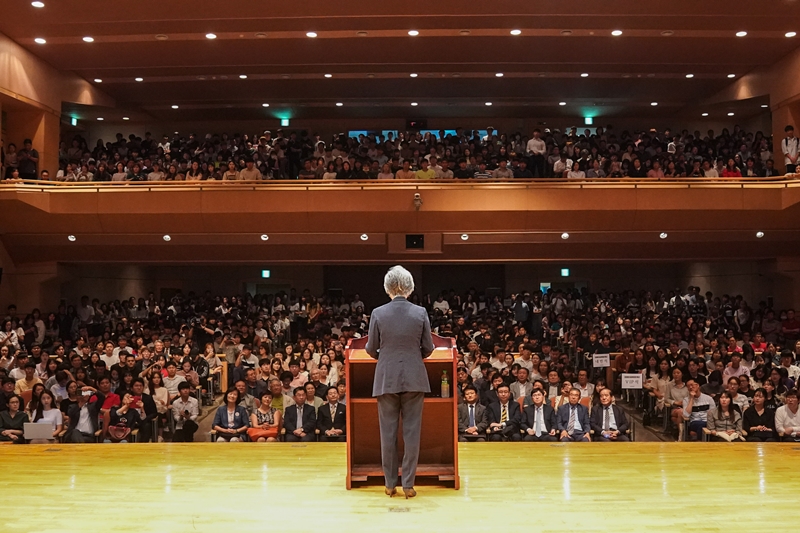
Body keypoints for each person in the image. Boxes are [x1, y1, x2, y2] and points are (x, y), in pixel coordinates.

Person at [365, 266, 434, 499]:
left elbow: (370, 347)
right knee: (412, 433)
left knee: (388, 433)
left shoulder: (377, 313)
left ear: (387, 287)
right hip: (415, 377)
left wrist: (385, 359)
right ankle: (409, 485)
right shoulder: (421, 312)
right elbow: (428, 348)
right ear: (410, 287)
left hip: (386, 377)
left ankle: (389, 483)